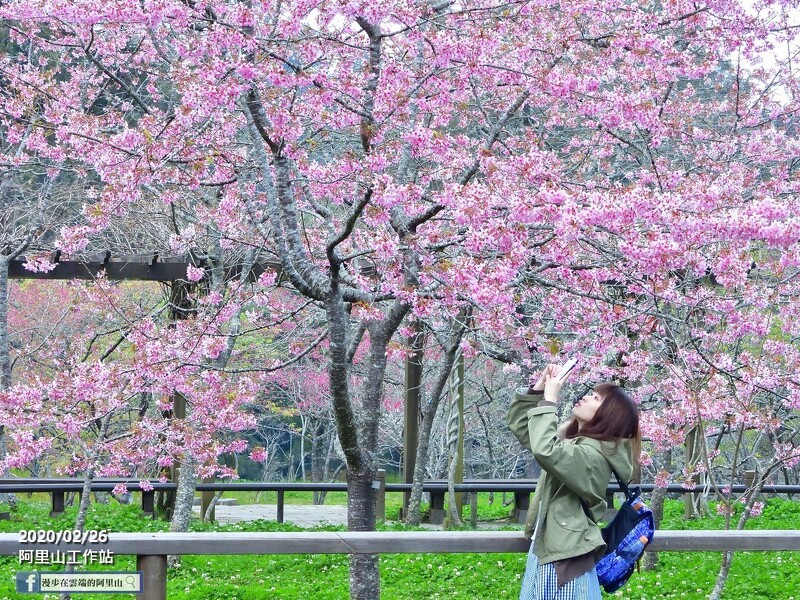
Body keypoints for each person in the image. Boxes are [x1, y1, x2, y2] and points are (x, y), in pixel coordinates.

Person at [507, 363, 641, 600]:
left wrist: (550, 400)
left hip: (564, 558)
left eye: (596, 398)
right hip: (555, 549)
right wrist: (538, 391)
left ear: (609, 416)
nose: (586, 397)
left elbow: (544, 449)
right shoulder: (576, 444)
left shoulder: (593, 457)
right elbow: (528, 431)